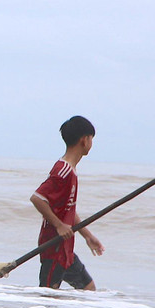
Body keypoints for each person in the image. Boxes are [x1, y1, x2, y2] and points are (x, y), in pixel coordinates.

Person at [30, 115, 104, 290]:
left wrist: (87, 235)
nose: (92, 143)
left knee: (89, 289)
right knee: (48, 296)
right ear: (84, 140)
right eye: (92, 138)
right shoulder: (63, 170)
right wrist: (59, 225)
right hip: (53, 248)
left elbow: (68, 210)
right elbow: (37, 198)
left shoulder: (71, 171)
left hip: (66, 250)